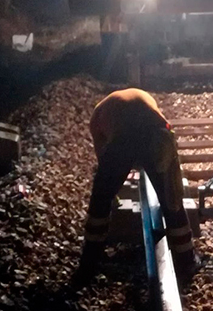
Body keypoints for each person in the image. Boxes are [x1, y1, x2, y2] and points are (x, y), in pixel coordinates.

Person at [74, 88, 196, 284]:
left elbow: (103, 157)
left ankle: (90, 262)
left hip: (124, 138)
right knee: (171, 198)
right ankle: (187, 260)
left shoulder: (98, 117)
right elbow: (160, 125)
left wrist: (110, 189)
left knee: (100, 200)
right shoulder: (143, 98)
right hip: (158, 133)